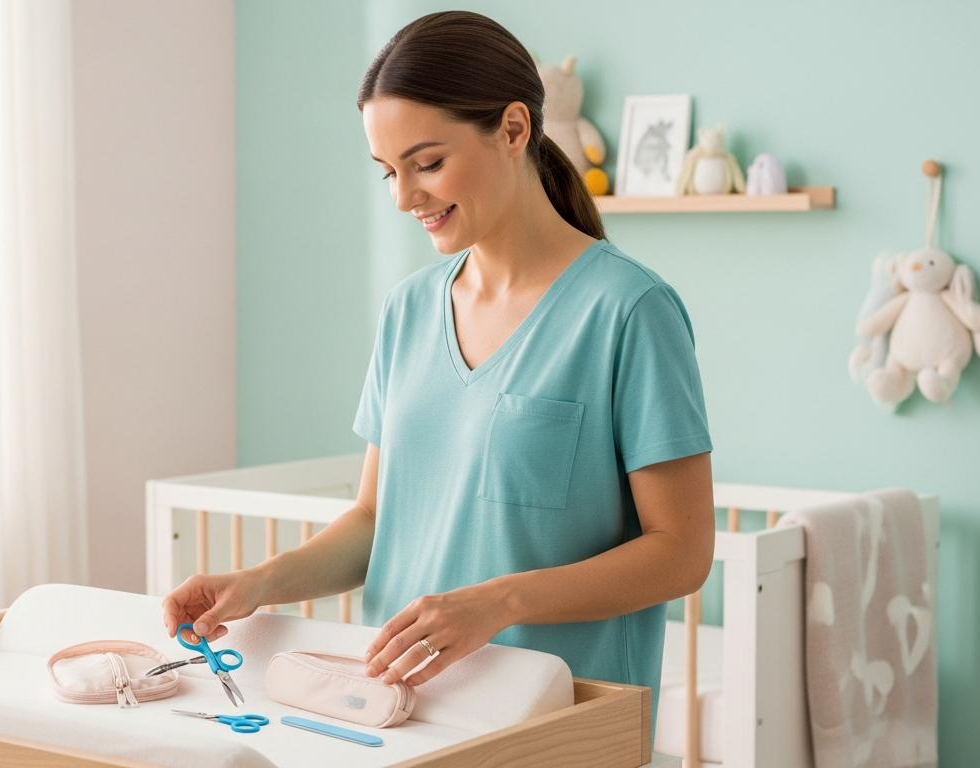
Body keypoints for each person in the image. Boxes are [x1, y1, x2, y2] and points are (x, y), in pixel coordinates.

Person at [161, 10, 714, 723]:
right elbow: (374, 520)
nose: (403, 196)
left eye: (427, 163)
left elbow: (680, 552)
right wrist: (257, 582)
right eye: (389, 171)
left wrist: (497, 602)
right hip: (392, 709)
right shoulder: (409, 310)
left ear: (515, 129)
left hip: (552, 719)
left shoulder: (629, 311)